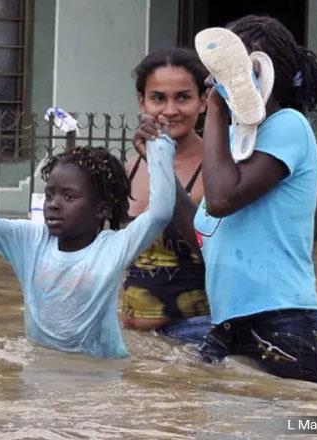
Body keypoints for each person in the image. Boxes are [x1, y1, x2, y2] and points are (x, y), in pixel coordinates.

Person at [0, 142, 177, 359]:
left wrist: (158, 147)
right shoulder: (29, 241)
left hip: (99, 372)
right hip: (41, 362)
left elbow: (160, 213)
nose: (53, 203)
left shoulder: (114, 247)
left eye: (68, 196)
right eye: (50, 194)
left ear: (101, 208)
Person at [192, 15, 317, 382]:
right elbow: (209, 229)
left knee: (293, 429)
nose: (214, 80)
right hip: (229, 326)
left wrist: (217, 109)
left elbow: (222, 199)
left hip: (281, 322)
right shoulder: (235, 150)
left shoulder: (288, 125)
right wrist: (159, 159)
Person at [121, 48, 211, 344]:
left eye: (183, 97)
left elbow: (215, 252)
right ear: (141, 102)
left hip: (195, 337)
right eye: (158, 98)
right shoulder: (129, 169)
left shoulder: (217, 170)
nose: (169, 110)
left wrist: (159, 166)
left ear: (203, 102)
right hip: (133, 338)